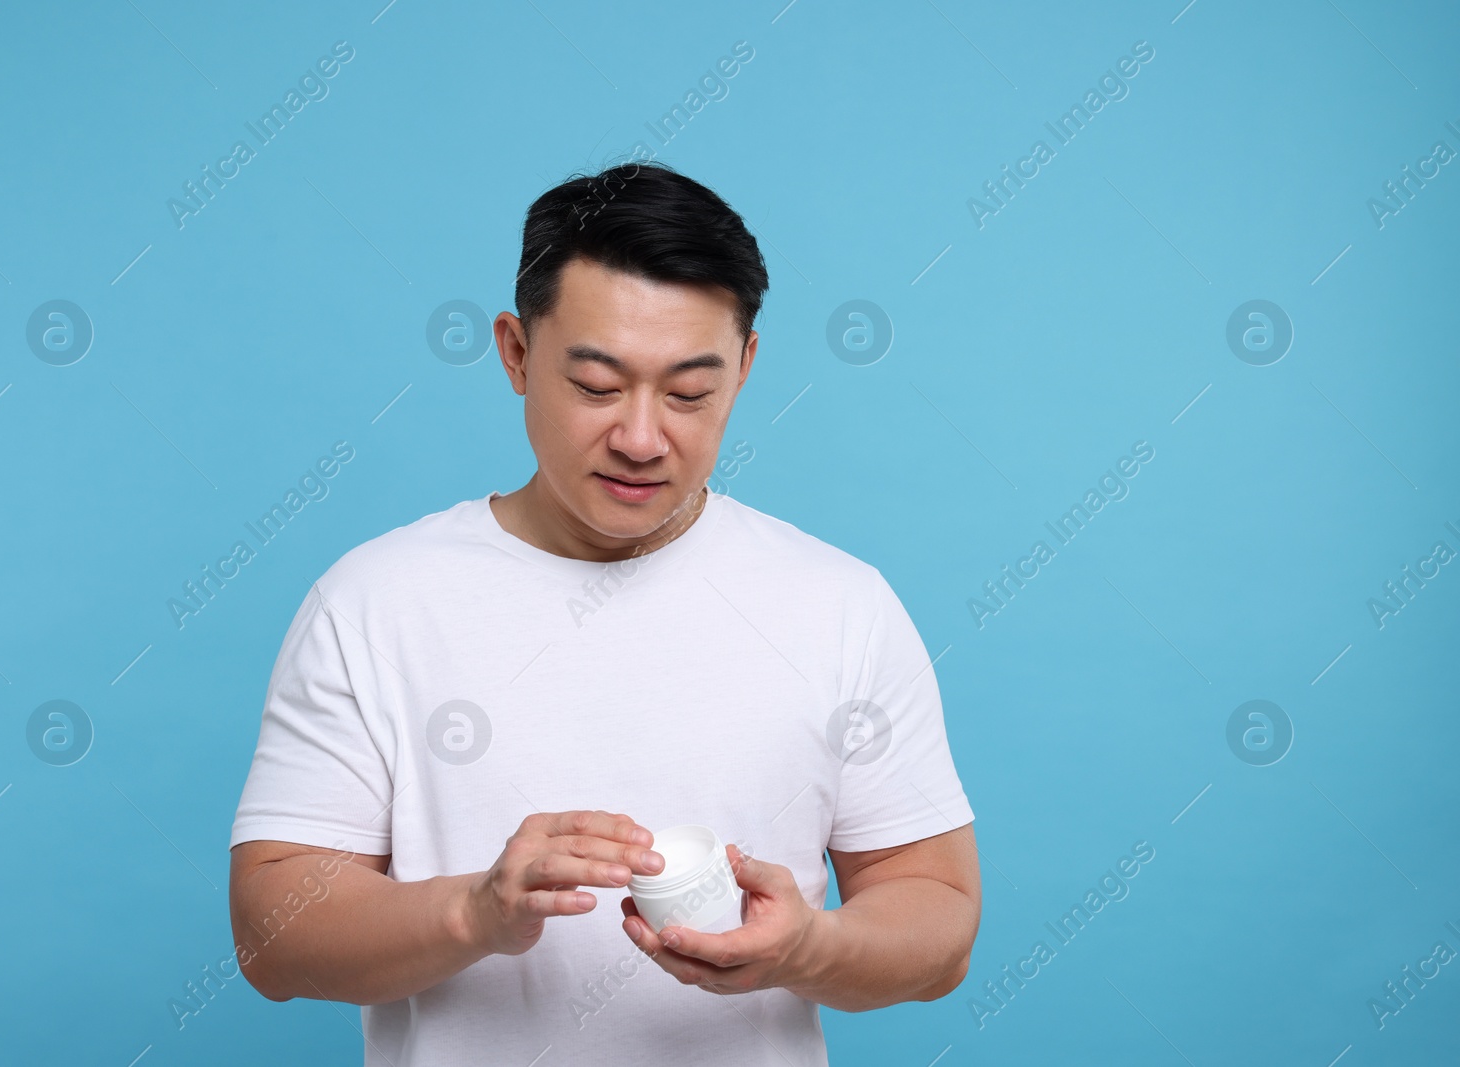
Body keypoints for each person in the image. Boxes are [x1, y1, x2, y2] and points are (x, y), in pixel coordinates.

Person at [228, 160, 980, 1066]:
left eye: (690, 392)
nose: (640, 436)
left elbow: (938, 918)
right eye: (595, 385)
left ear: (744, 367)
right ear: (515, 352)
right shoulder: (374, 601)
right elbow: (271, 934)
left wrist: (807, 947)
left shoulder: (839, 604)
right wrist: (475, 910)